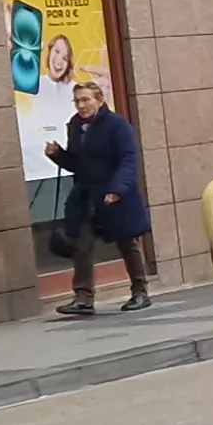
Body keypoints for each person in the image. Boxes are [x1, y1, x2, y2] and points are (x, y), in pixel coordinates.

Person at [43, 79, 153, 315]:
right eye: (77, 101)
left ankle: (140, 291)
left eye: (85, 100)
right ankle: (83, 297)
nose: (80, 105)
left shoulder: (117, 125)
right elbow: (77, 163)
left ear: (99, 101)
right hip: (87, 195)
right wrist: (57, 155)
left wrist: (117, 190)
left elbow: (127, 159)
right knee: (82, 244)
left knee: (127, 242)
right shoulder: (74, 125)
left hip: (114, 193)